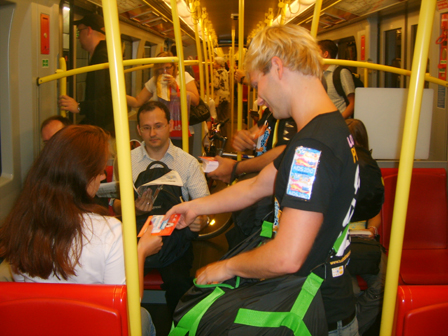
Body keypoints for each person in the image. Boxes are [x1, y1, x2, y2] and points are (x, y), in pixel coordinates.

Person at [166, 25, 360, 336]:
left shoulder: (312, 149)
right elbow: (257, 186)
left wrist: (226, 266)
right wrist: (195, 207)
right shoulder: (326, 129)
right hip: (320, 301)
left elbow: (286, 256)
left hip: (313, 314)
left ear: (278, 67)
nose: (258, 100)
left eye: (258, 85)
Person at [0, 125, 162, 336]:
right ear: (82, 175)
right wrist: (140, 252)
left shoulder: (22, 220)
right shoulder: (109, 231)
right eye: (99, 170)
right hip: (90, 326)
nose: (103, 177)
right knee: (142, 316)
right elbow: (127, 306)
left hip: (38, 325)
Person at [112, 101, 209, 316]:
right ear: (138, 130)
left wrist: (200, 220)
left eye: (158, 125)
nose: (152, 132)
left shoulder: (188, 163)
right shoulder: (125, 161)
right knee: (115, 280)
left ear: (170, 125)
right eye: (146, 128)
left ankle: (178, 325)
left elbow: (204, 204)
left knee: (179, 283)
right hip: (137, 234)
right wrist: (134, 209)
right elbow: (115, 203)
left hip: (175, 238)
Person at [345, 119, 386, 335]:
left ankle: (355, 327)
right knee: (348, 289)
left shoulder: (371, 172)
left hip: (363, 240)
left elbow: (375, 215)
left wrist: (372, 230)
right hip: (340, 242)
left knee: (381, 286)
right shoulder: (337, 168)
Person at [126, 51, 200, 151]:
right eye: (160, 69)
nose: (164, 71)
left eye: (168, 67)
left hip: (180, 130)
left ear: (174, 66)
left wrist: (176, 86)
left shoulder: (183, 76)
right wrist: (118, 94)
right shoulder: (154, 81)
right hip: (160, 132)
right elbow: (137, 102)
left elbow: (195, 100)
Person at [58, 14, 114, 136]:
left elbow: (109, 100)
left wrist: (79, 107)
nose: (78, 37)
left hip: (102, 130)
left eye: (79, 32)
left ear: (88, 30)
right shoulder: (104, 53)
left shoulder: (102, 57)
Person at [318, 39, 355, 119]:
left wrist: (339, 121)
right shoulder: (320, 74)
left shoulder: (341, 73)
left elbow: (353, 103)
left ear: (325, 54)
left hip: (339, 122)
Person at [213, 57, 230, 122]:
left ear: (219, 64)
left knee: (220, 118)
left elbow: (216, 85)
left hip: (220, 98)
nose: (213, 64)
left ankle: (220, 132)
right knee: (224, 117)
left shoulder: (218, 72)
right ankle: (225, 132)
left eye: (215, 62)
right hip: (226, 97)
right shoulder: (225, 71)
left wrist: (211, 84)